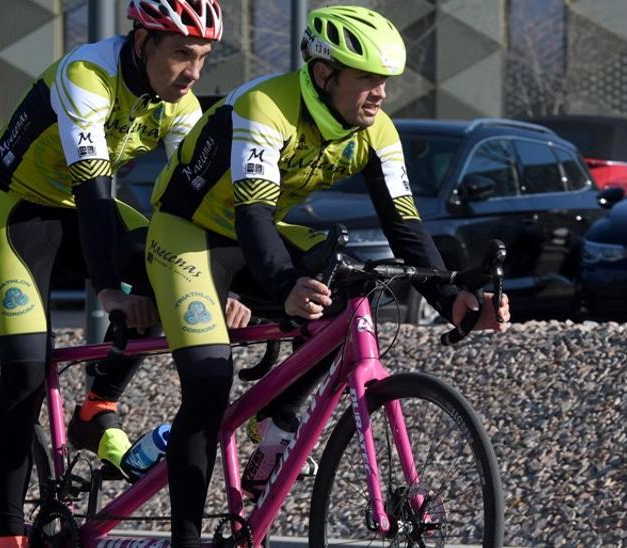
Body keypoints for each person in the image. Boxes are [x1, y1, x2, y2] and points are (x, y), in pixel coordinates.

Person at [142, 6, 512, 545]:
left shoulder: (376, 129)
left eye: (384, 81)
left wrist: (451, 295)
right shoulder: (264, 105)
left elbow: (405, 225)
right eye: (367, 79)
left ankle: (278, 417)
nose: (381, 93)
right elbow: (252, 214)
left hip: (263, 231)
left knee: (352, 290)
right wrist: (285, 285)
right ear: (323, 75)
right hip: (189, 233)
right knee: (208, 383)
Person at [0, 2, 244, 546]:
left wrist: (226, 285)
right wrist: (108, 294)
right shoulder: (86, 75)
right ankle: (7, 532)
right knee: (26, 367)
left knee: (161, 256)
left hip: (79, 211)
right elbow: (94, 195)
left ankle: (97, 409)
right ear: (142, 44)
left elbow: (194, 206)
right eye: (181, 55)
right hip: (15, 212)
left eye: (204, 58)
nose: (193, 73)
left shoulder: (178, 102)